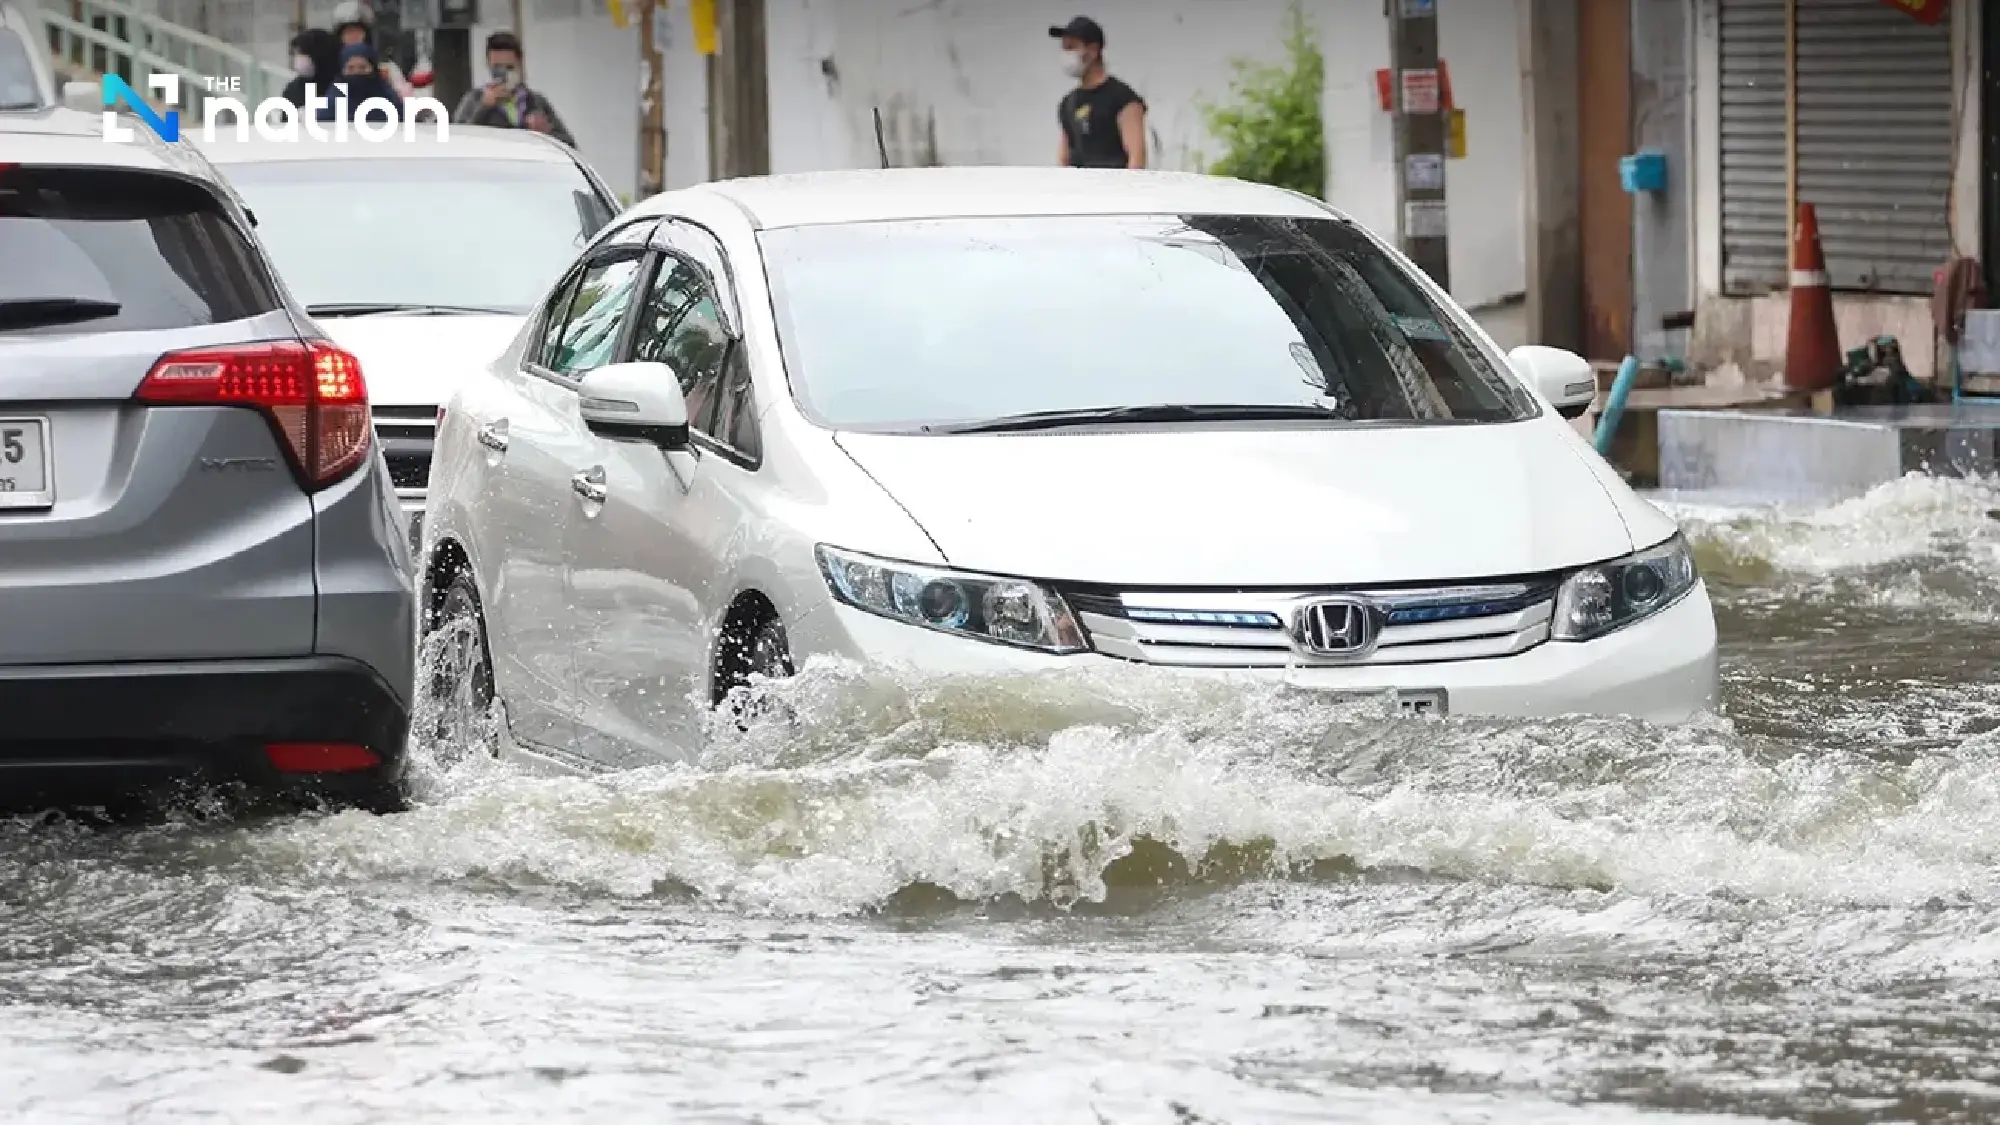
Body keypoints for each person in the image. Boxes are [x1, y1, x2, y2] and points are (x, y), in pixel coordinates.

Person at [1050, 15, 1146, 170]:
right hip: (1081, 190)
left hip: (1114, 189)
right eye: (1064, 48)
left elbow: (1136, 158)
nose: (1066, 55)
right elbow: (1064, 158)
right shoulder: (1068, 103)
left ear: (1093, 50)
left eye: (1071, 47)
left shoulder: (1122, 98)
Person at [452, 31, 576, 148]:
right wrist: (484, 108)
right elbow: (458, 142)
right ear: (488, 64)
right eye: (497, 67)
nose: (503, 74)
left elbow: (570, 145)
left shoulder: (535, 102)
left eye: (509, 67)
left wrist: (546, 132)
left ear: (520, 64)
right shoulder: (474, 100)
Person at [330, 0, 413, 98]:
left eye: (357, 31)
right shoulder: (330, 66)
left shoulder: (384, 67)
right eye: (348, 32)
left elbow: (403, 97)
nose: (353, 36)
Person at [320, 42, 402, 124]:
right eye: (350, 68)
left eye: (363, 67)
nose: (357, 72)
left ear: (373, 69)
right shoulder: (333, 99)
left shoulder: (388, 96)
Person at [281, 27, 341, 109]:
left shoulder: (344, 88)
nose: (298, 58)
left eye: (302, 53)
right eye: (295, 54)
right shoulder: (293, 89)